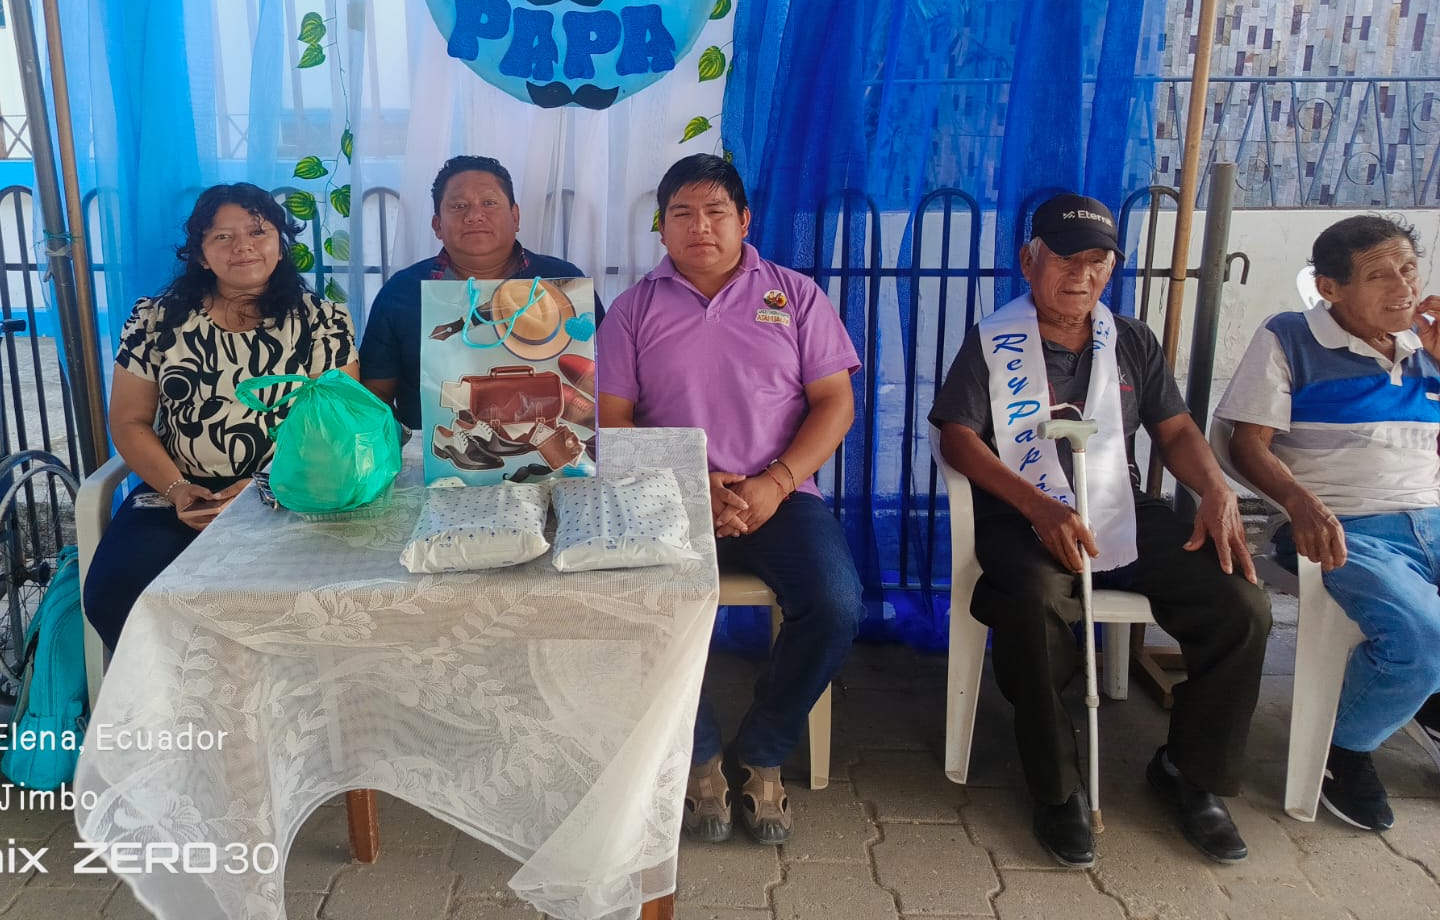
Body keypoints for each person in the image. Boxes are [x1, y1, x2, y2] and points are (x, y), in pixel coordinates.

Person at [930, 193, 1270, 869]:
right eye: (1064, 259)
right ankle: (1058, 787)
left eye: (1096, 262)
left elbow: (1176, 430)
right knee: (1033, 601)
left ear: (1111, 269)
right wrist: (1038, 506)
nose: (1080, 276)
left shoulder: (1130, 339)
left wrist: (1215, 488)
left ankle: (1190, 773)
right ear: (1029, 261)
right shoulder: (994, 341)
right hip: (1023, 514)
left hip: (1121, 507)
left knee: (1241, 604)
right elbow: (958, 439)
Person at [597, 154, 863, 846]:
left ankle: (763, 749)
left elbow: (835, 403)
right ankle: (700, 752)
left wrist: (775, 482)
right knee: (638, 600)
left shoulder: (796, 296)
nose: (700, 227)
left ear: (744, 220)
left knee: (836, 604)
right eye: (681, 214)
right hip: (668, 493)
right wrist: (691, 478)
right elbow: (612, 422)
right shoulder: (632, 310)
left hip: (780, 492)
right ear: (661, 228)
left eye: (715, 211)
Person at [1217, 214, 1440, 832]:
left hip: (1432, 517)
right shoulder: (1290, 336)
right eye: (1379, 275)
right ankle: (1344, 747)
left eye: (1409, 269)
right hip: (1345, 527)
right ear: (1329, 288)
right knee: (1425, 637)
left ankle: (1424, 698)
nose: (1403, 286)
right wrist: (1300, 502)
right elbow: (1246, 444)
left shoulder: (1427, 345)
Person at [82, 183, 356, 650]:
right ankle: (173, 693)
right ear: (201, 255)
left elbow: (336, 429)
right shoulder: (155, 321)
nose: (243, 246)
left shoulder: (322, 322)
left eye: (257, 231)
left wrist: (258, 488)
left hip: (291, 492)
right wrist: (177, 489)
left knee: (307, 600)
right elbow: (129, 421)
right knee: (115, 591)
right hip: (181, 492)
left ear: (280, 245)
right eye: (222, 237)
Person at [359, 156, 594, 431]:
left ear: (515, 216)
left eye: (489, 203)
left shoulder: (564, 283)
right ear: (437, 225)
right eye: (458, 206)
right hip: (435, 449)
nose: (474, 215)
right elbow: (375, 396)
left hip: (555, 446)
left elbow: (602, 379)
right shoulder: (402, 292)